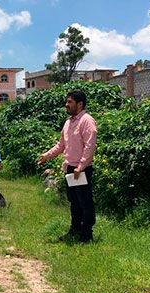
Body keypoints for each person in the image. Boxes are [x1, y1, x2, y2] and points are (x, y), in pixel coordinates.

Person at [37, 91, 97, 243]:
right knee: (74, 201)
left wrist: (81, 166)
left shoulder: (86, 121)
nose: (66, 104)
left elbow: (90, 146)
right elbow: (61, 145)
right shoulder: (68, 122)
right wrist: (46, 155)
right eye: (67, 102)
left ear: (80, 104)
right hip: (70, 169)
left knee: (84, 201)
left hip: (80, 170)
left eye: (70, 102)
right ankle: (75, 230)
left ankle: (86, 234)